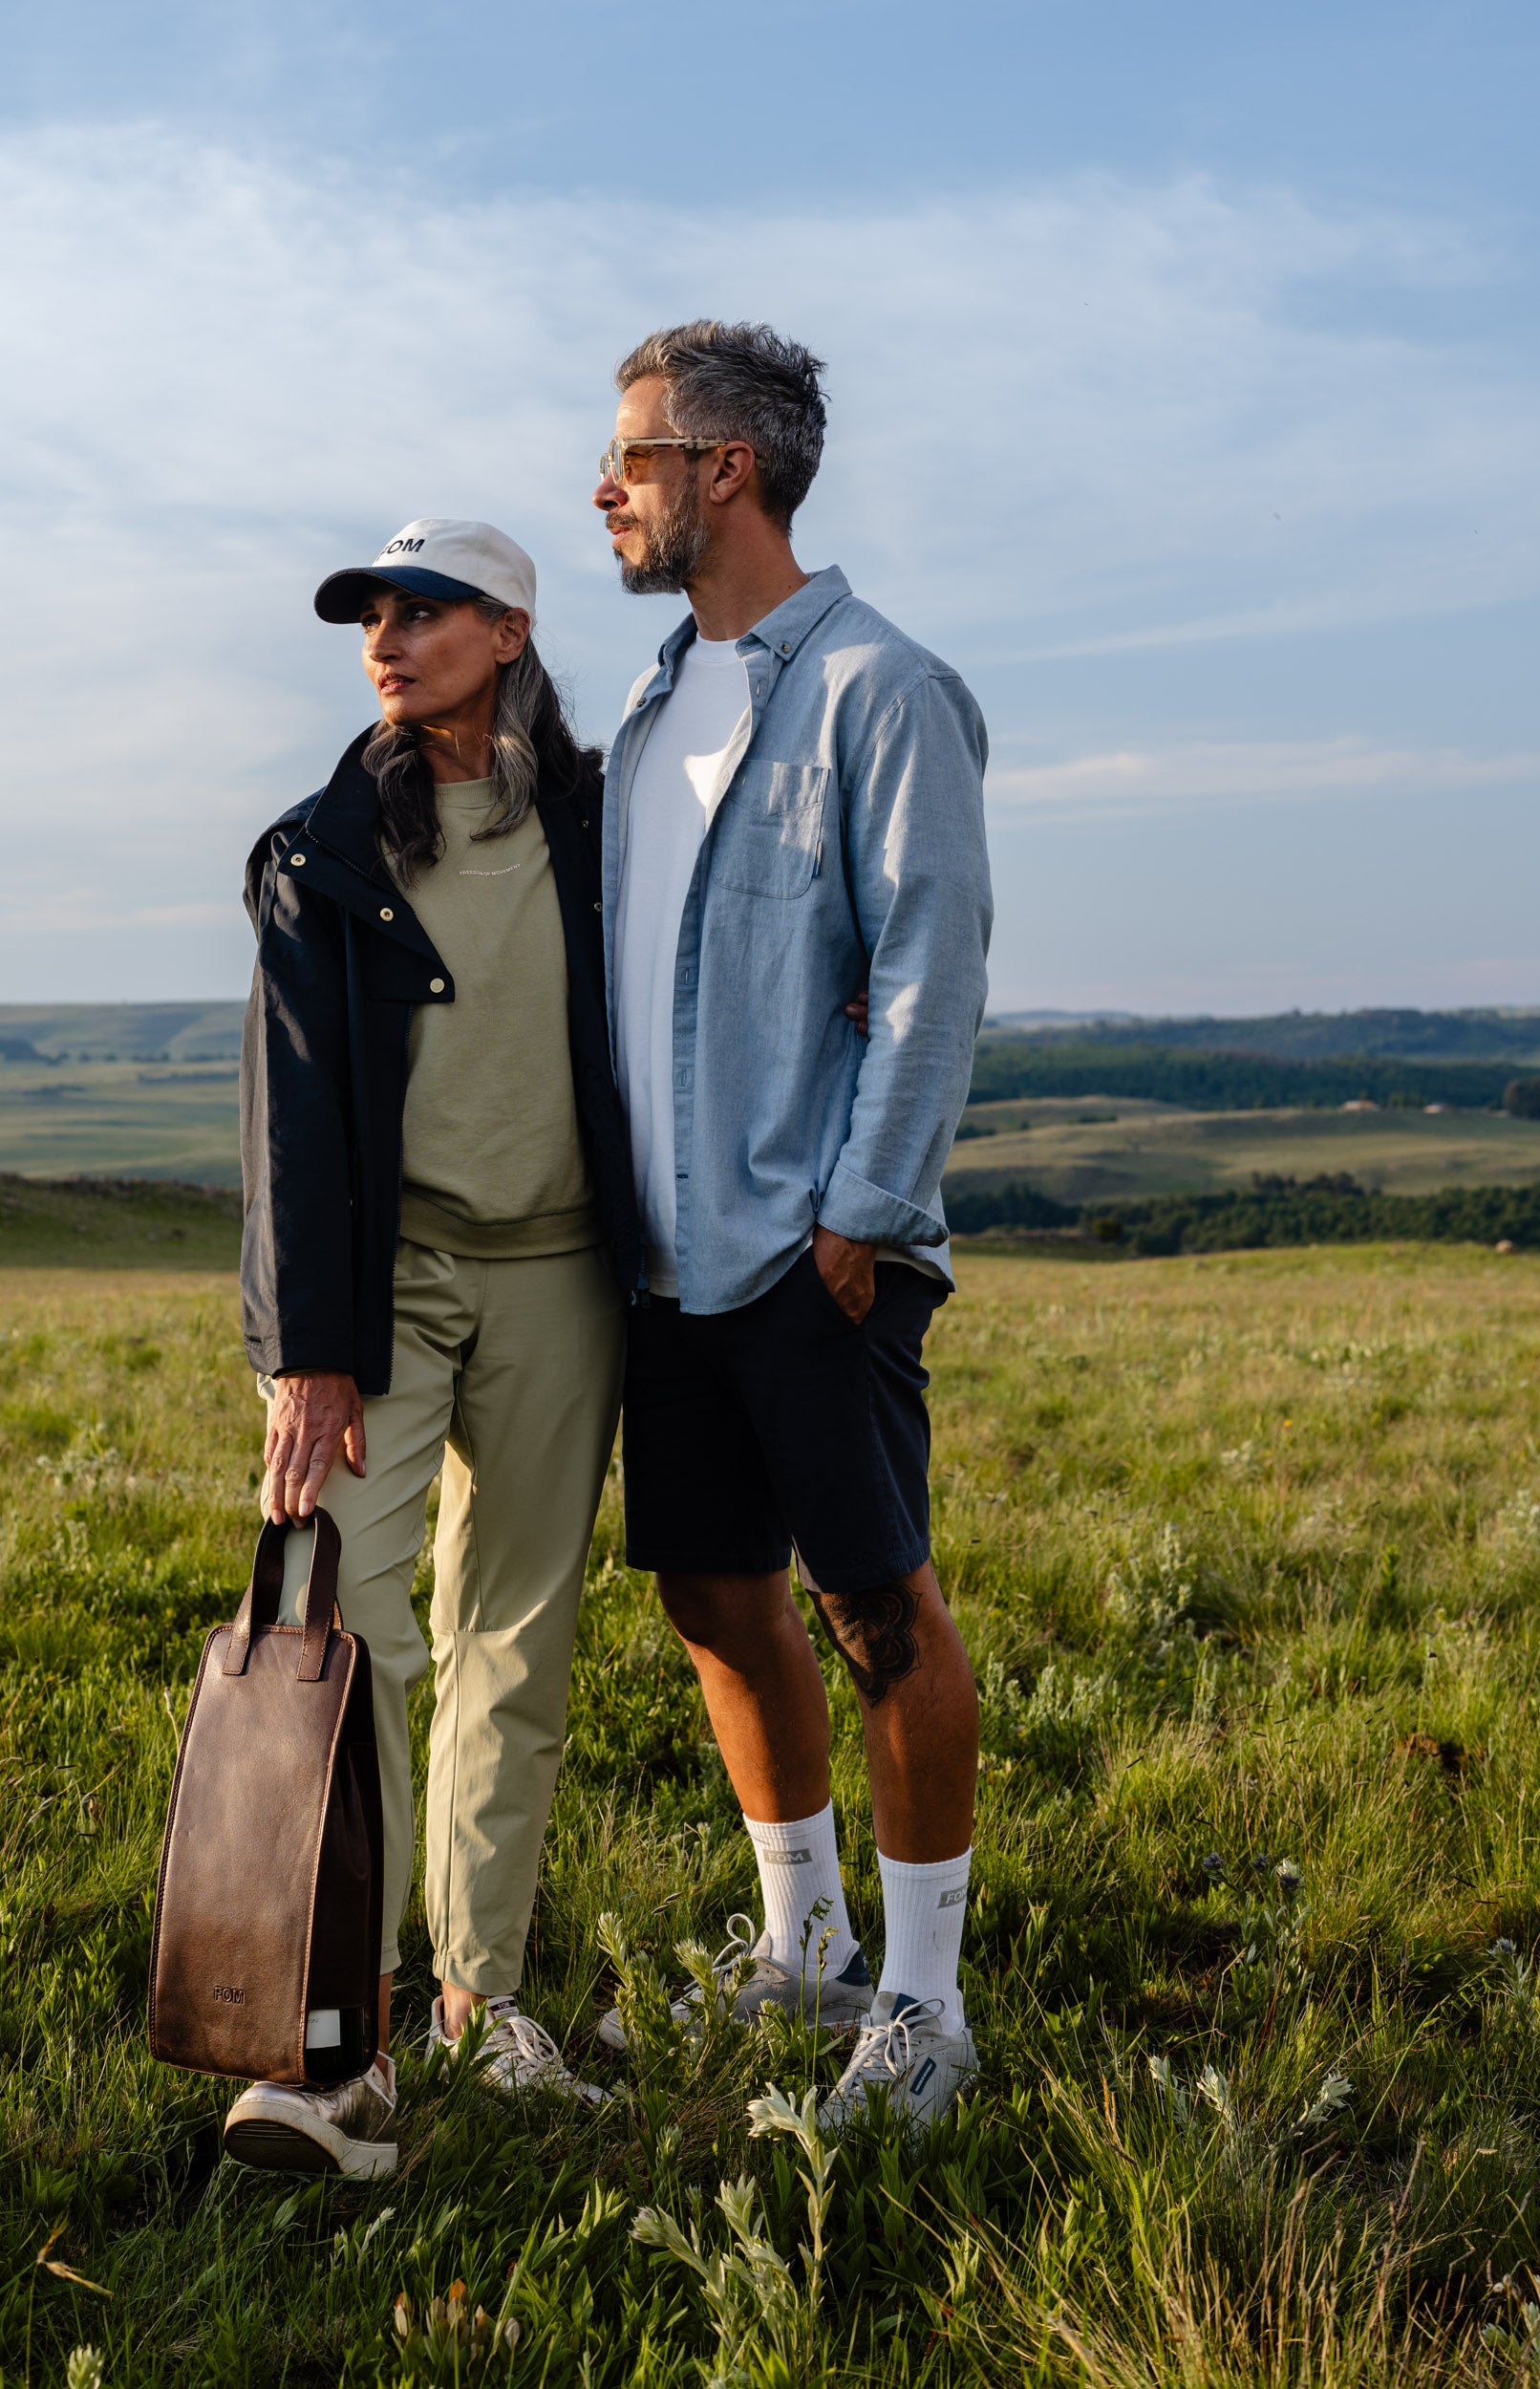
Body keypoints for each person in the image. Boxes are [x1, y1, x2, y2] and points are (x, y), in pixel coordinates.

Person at [591, 323, 994, 2128]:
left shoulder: (882, 689)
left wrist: (865, 1209)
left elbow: (930, 960)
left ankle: (924, 2008)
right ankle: (806, 1947)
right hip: (660, 1257)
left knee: (876, 1609)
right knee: (711, 1592)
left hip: (817, 1244)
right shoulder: (645, 707)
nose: (606, 489)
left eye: (632, 457)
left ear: (724, 469)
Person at [223, 519, 639, 2177]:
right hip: (378, 1293)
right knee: (342, 1628)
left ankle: (484, 1997)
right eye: (371, 617)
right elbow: (290, 1118)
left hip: (562, 1278)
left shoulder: (607, 825)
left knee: (514, 1645)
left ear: (511, 628)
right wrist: (307, 1352)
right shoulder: (318, 852)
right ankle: (343, 2034)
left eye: (424, 611)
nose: (387, 640)